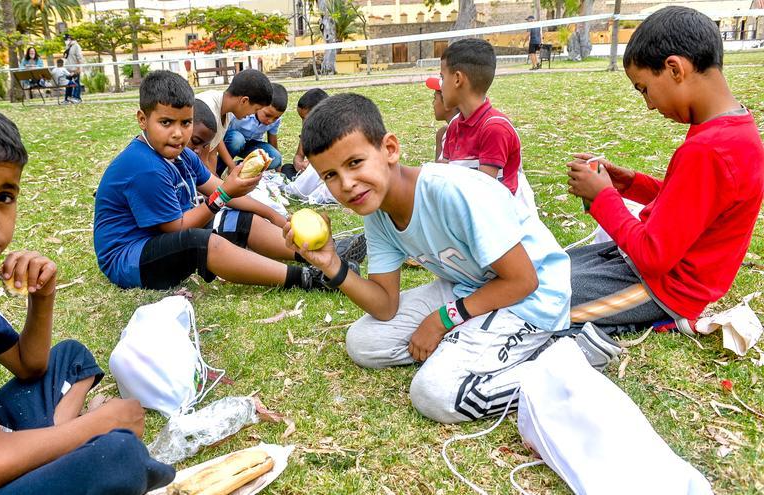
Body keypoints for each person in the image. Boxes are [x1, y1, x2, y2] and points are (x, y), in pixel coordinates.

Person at [0, 102, 174, 494]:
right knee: (117, 455)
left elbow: (30, 366)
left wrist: (43, 297)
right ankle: (67, 444)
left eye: (4, 196)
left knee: (69, 358)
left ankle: (56, 443)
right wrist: (97, 425)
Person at [286, 94, 619, 423]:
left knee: (434, 392)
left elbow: (524, 280)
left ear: (389, 149)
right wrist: (331, 263)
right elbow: (385, 306)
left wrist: (443, 320)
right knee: (364, 343)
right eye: (330, 175)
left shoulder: (451, 192)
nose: (346, 184)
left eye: (354, 163)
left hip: (531, 296)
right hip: (469, 286)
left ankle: (568, 361)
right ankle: (476, 343)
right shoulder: (377, 215)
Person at [566, 6, 764, 336]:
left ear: (674, 69)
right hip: (645, 265)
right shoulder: (731, 130)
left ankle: (654, 320)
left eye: (644, 89)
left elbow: (652, 256)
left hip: (664, 289)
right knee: (544, 270)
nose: (650, 104)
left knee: (538, 298)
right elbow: (693, 207)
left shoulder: (709, 149)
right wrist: (631, 184)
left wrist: (603, 198)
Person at [93, 71, 365, 292]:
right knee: (202, 241)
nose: (178, 134)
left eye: (185, 123)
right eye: (166, 123)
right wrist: (222, 195)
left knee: (239, 218)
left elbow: (220, 190)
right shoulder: (144, 167)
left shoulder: (183, 155)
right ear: (143, 119)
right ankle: (307, 278)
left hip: (163, 238)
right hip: (131, 260)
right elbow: (178, 228)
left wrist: (274, 216)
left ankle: (315, 255)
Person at [439, 38, 537, 215]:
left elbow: (483, 195)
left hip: (499, 223)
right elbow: (441, 179)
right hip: (466, 216)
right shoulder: (454, 126)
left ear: (457, 79)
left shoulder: (495, 128)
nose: (440, 85)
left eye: (442, 77)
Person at [196, 69, 272, 175]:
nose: (252, 115)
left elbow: (212, 151)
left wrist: (217, 182)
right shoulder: (208, 110)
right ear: (244, 101)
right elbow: (200, 162)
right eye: (255, 110)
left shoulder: (226, 110)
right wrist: (219, 187)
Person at [222, 83, 288, 172]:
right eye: (267, 115)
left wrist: (279, 170)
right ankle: (219, 170)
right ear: (260, 105)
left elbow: (273, 143)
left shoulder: (274, 120)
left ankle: (238, 167)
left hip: (251, 145)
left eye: (276, 118)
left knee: (275, 158)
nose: (270, 121)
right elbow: (220, 136)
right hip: (231, 142)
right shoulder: (243, 111)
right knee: (237, 140)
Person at [281, 88, 329, 180]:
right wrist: (299, 164)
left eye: (306, 118)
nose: (303, 123)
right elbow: (299, 156)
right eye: (301, 119)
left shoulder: (335, 131)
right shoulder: (307, 132)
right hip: (311, 173)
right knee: (286, 168)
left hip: (328, 173)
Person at [424, 76, 460, 161]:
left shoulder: (453, 134)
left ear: (447, 102)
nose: (433, 103)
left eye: (435, 98)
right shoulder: (442, 133)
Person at [63, 33, 85, 103]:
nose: (65, 41)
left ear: (70, 39)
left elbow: (80, 58)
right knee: (68, 84)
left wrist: (78, 69)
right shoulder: (67, 46)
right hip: (68, 69)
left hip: (75, 69)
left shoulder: (76, 46)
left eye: (66, 39)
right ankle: (67, 99)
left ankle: (77, 98)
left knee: (76, 84)